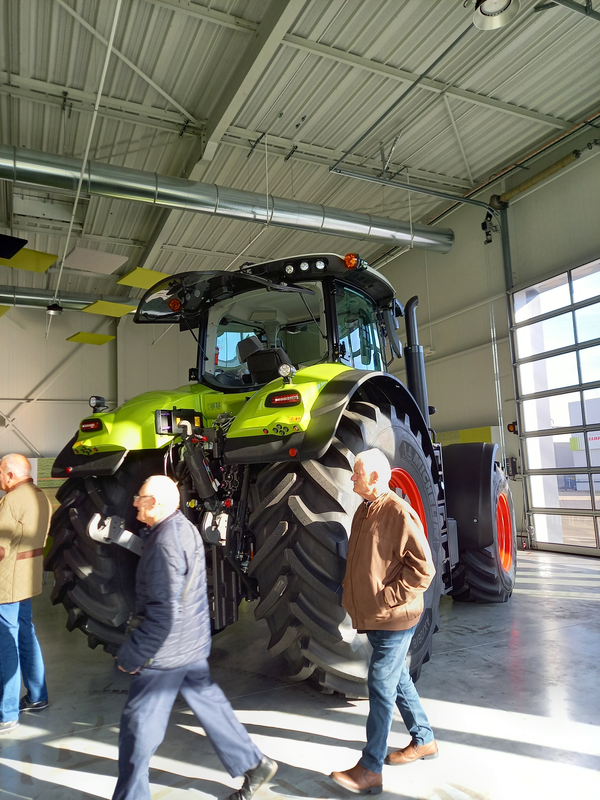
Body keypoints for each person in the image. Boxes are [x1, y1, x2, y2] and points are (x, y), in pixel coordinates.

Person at [112, 475, 277, 800]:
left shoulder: (162, 546)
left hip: (166, 654)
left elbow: (163, 616)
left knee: (138, 728)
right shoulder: (182, 528)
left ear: (157, 504)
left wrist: (131, 655)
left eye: (141, 499)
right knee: (211, 708)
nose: (135, 504)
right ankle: (254, 764)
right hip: (191, 642)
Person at [330, 448, 438, 795]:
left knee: (380, 683)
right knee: (398, 679)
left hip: (395, 618)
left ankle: (370, 768)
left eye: (357, 473)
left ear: (375, 477)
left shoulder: (398, 512)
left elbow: (424, 570)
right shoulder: (364, 510)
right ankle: (424, 740)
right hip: (374, 616)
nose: (352, 478)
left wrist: (387, 598)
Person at [0, 453, 52, 734]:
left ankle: (6, 714)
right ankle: (37, 696)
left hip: (6, 583)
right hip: (27, 579)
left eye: (0, 473)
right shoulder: (41, 496)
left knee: (6, 643)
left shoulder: (12, 499)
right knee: (25, 634)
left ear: (10, 475)